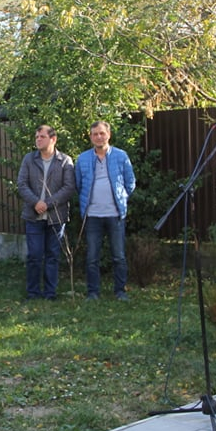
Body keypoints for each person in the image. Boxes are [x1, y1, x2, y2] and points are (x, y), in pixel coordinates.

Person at [74, 121, 136, 301]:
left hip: (115, 215)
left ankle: (120, 291)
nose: (99, 137)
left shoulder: (121, 156)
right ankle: (93, 292)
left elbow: (130, 182)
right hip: (92, 215)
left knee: (119, 256)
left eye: (102, 133)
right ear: (90, 137)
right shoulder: (83, 158)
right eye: (95, 134)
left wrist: (121, 197)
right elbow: (78, 184)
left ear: (108, 135)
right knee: (92, 257)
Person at [17, 125, 76, 301]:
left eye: (42, 137)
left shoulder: (64, 161)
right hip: (33, 215)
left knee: (53, 256)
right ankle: (33, 292)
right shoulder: (29, 159)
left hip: (56, 216)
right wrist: (36, 202)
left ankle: (50, 293)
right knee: (34, 255)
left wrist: (48, 203)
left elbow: (69, 187)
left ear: (53, 139)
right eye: (37, 137)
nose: (38, 140)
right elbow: (22, 184)